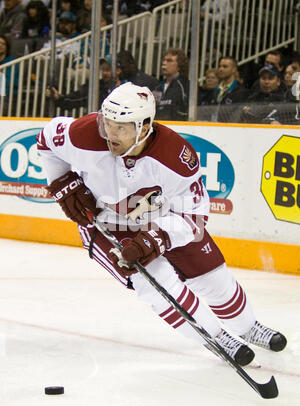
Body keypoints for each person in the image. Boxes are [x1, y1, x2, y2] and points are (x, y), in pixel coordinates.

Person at [37, 82, 287, 369]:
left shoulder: (175, 156)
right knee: (154, 284)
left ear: (144, 127)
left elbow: (194, 216)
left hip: (168, 219)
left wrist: (158, 238)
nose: (109, 134)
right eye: (107, 124)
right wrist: (60, 181)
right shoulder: (83, 133)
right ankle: (216, 337)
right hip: (106, 221)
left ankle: (247, 327)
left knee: (213, 279)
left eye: (121, 127)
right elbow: (46, 140)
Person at [45, 55, 120, 114]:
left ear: (118, 71)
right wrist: (59, 97)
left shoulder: (127, 87)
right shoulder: (96, 86)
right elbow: (75, 98)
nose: (104, 73)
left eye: (108, 70)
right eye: (103, 69)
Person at [208, 56, 249, 122]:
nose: (221, 69)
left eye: (225, 67)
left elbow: (238, 116)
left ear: (234, 69)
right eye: (220, 66)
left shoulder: (240, 91)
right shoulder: (216, 89)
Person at [154, 47, 189, 121]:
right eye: (164, 60)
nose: (164, 63)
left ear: (180, 65)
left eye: (169, 61)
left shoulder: (185, 85)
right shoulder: (158, 87)